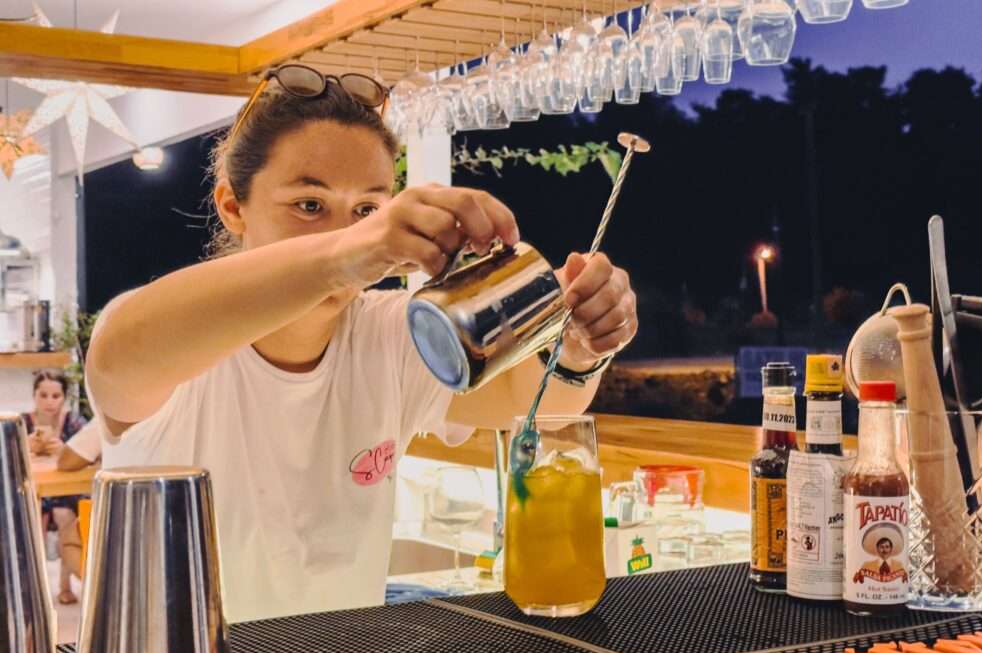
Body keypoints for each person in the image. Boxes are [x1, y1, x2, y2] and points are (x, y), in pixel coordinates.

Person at [86, 66, 639, 623]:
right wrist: (344, 254)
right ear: (232, 206)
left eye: (367, 210)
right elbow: (116, 356)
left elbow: (536, 402)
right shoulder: (181, 332)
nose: (343, 231)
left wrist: (578, 348)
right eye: (309, 205)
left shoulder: (390, 335)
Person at [22, 369, 87, 604]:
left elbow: (88, 456)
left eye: (56, 396)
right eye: (44, 395)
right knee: (34, 520)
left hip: (65, 492)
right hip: (34, 491)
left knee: (66, 517)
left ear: (64, 397)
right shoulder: (23, 423)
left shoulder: (75, 423)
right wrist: (25, 446)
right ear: (34, 396)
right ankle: (34, 588)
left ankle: (64, 586)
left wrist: (64, 450)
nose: (49, 402)